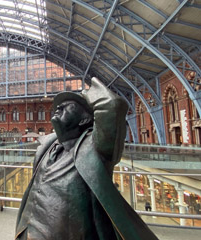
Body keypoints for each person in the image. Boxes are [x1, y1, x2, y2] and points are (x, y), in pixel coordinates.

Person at [15, 77, 157, 240]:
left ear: (84, 119)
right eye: (58, 106)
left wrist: (88, 92)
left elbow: (113, 106)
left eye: (69, 106)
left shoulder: (95, 148)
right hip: (27, 230)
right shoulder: (46, 147)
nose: (58, 107)